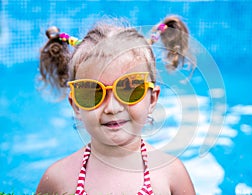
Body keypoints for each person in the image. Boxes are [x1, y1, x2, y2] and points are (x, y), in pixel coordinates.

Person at [36, 15, 196, 195]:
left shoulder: (171, 175)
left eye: (129, 89)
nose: (112, 108)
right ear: (76, 105)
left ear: (152, 100)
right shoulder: (58, 179)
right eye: (93, 92)